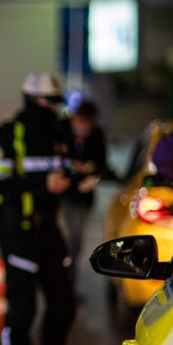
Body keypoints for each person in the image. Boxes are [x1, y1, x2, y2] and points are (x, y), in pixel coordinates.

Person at [0, 71, 92, 345]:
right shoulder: (6, 136)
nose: (55, 109)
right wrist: (42, 184)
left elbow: (63, 168)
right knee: (23, 308)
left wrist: (78, 179)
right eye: (50, 102)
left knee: (63, 304)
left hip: (49, 231)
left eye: (58, 103)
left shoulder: (58, 133)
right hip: (19, 232)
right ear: (33, 101)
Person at [58, 99, 114, 294]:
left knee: (75, 244)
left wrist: (92, 171)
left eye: (88, 123)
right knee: (70, 242)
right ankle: (63, 287)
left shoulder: (96, 136)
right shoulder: (61, 131)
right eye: (81, 121)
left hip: (83, 195)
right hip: (62, 195)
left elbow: (103, 164)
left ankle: (68, 287)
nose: (84, 127)